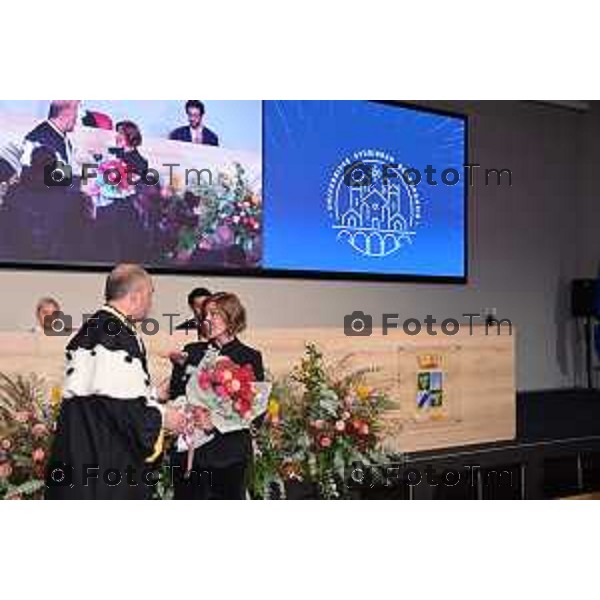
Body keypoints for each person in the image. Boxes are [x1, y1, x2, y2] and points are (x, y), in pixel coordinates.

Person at [45, 264, 186, 500]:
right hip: (105, 470)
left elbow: (102, 399)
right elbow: (127, 412)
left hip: (79, 460)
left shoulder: (90, 331)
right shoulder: (118, 337)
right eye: (150, 294)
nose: (151, 302)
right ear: (137, 295)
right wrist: (165, 416)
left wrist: (152, 394)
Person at [169, 292, 264, 500]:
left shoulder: (250, 357)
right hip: (191, 455)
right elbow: (176, 395)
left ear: (231, 316)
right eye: (205, 315)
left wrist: (215, 421)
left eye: (214, 314)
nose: (207, 320)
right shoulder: (192, 352)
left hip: (229, 456)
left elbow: (255, 412)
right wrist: (178, 371)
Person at [22, 100, 80, 167]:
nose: (77, 118)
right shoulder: (39, 140)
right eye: (75, 112)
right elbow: (55, 174)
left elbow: (66, 171)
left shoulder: (64, 140)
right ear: (65, 113)